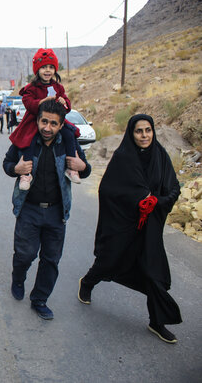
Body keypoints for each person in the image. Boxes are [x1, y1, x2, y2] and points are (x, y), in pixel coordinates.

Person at [77, 114, 182, 343]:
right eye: (139, 131)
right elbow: (108, 190)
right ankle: (87, 282)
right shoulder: (123, 157)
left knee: (153, 271)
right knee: (109, 260)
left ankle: (157, 322)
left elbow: (173, 188)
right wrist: (139, 199)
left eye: (148, 130)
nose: (144, 136)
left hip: (149, 226)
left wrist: (156, 202)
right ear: (131, 133)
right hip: (124, 224)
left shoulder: (160, 156)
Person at [3, 99, 91, 320]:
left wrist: (84, 168)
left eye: (53, 123)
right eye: (44, 122)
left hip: (56, 212)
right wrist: (16, 168)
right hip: (29, 210)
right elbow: (6, 163)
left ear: (61, 125)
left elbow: (84, 168)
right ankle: (18, 277)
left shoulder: (68, 143)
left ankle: (39, 299)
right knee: (26, 254)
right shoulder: (26, 141)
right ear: (38, 120)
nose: (47, 128)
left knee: (51, 259)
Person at [10, 48, 81, 191]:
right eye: (43, 67)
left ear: (55, 69)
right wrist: (42, 102)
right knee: (29, 139)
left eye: (50, 67)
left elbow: (67, 107)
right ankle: (26, 174)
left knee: (69, 133)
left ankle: (72, 168)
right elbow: (28, 103)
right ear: (37, 70)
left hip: (55, 119)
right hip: (34, 120)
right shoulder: (32, 87)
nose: (47, 70)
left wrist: (63, 102)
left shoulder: (58, 87)